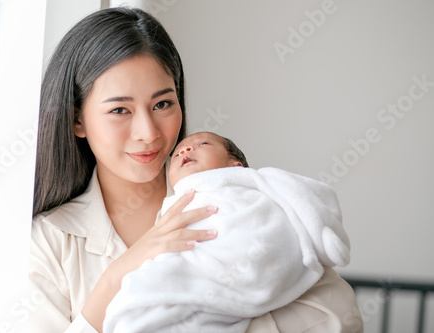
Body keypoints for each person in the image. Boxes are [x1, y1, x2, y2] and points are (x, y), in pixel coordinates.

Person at [28, 7, 363, 333]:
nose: (148, 132)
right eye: (119, 110)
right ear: (77, 119)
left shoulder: (236, 197)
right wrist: (117, 276)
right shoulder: (51, 240)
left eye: (162, 104)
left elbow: (341, 314)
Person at [103, 131, 353, 332]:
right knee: (141, 297)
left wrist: (323, 237)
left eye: (203, 143)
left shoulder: (255, 183)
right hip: (193, 266)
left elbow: (303, 196)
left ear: (236, 164)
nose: (185, 150)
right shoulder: (172, 205)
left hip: (244, 256)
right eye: (178, 152)